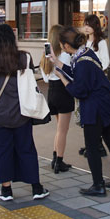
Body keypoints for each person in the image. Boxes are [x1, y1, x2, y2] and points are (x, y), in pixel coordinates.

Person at [52, 27, 110, 196]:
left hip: (95, 107)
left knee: (92, 147)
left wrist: (62, 77)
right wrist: (59, 64)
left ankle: (98, 185)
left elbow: (79, 90)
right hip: (107, 103)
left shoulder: (82, 61)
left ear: (65, 45)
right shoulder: (85, 53)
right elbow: (78, 73)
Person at [0, 24, 49, 201]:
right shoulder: (24, 58)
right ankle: (36, 188)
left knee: (2, 151)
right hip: (22, 113)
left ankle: (6, 190)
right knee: (27, 149)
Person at [40, 24, 74, 173]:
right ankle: (59, 161)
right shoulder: (65, 55)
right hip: (63, 91)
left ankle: (55, 158)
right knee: (63, 130)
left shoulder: (46, 56)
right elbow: (70, 74)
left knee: (59, 129)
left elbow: (45, 79)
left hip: (51, 92)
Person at [79, 14, 109, 158]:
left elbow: (106, 61)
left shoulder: (101, 42)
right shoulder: (84, 42)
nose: (86, 27)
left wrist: (95, 71)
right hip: (86, 82)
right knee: (88, 114)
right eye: (85, 24)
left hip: (97, 82)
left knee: (97, 114)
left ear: (95, 26)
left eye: (88, 25)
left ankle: (97, 145)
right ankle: (92, 144)